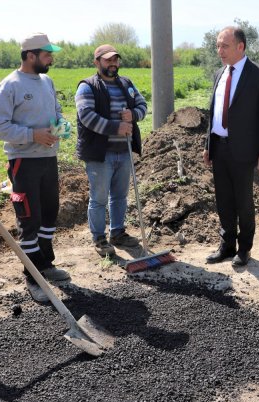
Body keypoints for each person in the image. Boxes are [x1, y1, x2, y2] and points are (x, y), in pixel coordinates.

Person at [0, 33, 70, 303]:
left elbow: (57, 112)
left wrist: (61, 127)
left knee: (49, 215)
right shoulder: (9, 85)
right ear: (31, 55)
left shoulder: (47, 81)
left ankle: (45, 264)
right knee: (29, 220)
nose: (51, 59)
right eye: (47, 54)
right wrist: (33, 135)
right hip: (23, 163)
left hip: (48, 158)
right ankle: (32, 277)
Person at [203, 26, 259, 267]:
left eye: (224, 45)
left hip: (244, 150)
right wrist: (208, 144)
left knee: (243, 201)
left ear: (240, 46)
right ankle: (227, 245)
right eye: (218, 45)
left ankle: (244, 248)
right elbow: (213, 112)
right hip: (219, 147)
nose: (219, 50)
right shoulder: (219, 74)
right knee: (223, 199)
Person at [75, 44, 147, 257]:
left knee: (120, 196)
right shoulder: (87, 87)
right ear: (97, 62)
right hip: (100, 153)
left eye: (115, 59)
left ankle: (118, 233)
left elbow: (143, 105)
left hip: (123, 151)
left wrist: (133, 114)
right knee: (99, 198)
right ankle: (99, 238)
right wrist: (116, 127)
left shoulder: (126, 83)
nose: (113, 63)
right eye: (107, 60)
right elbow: (86, 116)